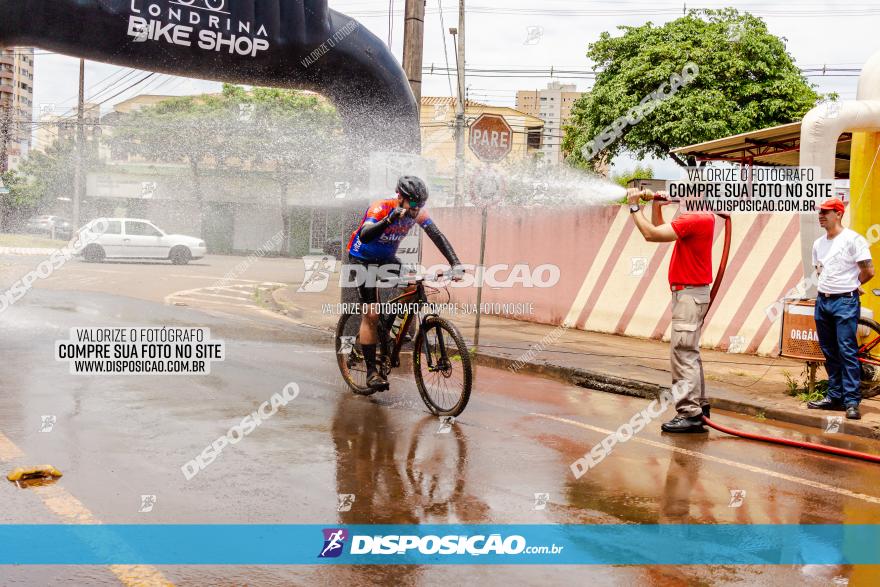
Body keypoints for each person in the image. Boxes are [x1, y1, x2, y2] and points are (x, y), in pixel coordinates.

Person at [346, 176, 462, 391]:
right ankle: (372, 372)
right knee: (371, 313)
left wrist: (455, 263)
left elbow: (437, 235)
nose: (417, 209)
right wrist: (389, 220)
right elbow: (365, 234)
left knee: (413, 285)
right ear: (400, 197)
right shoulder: (381, 207)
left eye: (422, 204)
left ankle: (389, 330)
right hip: (362, 258)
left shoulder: (417, 212)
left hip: (387, 259)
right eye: (414, 204)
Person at [626, 187, 716, 433]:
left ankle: (689, 412)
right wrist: (656, 205)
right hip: (689, 294)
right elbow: (662, 229)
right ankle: (699, 406)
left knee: (682, 353)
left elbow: (651, 234)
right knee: (690, 353)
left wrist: (634, 207)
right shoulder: (701, 215)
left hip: (689, 295)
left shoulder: (694, 217)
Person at [807, 198, 874, 420]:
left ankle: (852, 401)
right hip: (823, 301)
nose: (821, 215)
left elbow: (868, 271)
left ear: (838, 213)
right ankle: (835, 396)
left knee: (846, 351)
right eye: (820, 212)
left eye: (826, 212)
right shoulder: (818, 243)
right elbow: (820, 271)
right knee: (829, 351)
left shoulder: (853, 239)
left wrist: (853, 286)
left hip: (845, 301)